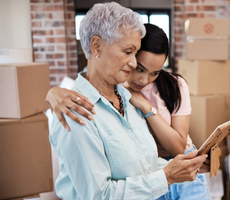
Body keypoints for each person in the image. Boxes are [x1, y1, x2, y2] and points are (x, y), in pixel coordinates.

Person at [48, 2, 208, 199]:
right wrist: (166, 177)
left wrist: (182, 166)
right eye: (128, 52)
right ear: (96, 45)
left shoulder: (126, 97)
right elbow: (100, 195)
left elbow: (144, 164)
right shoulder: (76, 111)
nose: (133, 63)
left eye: (135, 53)